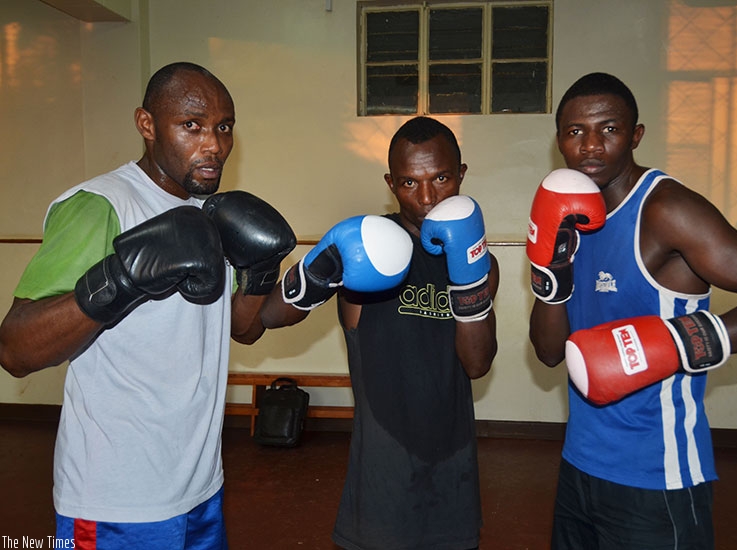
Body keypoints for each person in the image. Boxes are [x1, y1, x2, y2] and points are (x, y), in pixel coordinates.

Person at [0, 62, 296, 548]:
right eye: (192, 126)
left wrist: (262, 272)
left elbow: (241, 329)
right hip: (114, 498)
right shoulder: (102, 204)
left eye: (224, 127)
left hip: (200, 486)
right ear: (147, 125)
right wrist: (122, 278)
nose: (215, 145)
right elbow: (15, 349)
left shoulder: (210, 212)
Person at [527, 72, 737, 549]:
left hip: (657, 475)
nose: (592, 146)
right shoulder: (569, 218)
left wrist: (674, 341)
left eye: (610, 129)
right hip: (579, 465)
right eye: (575, 132)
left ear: (636, 135)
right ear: (559, 140)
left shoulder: (666, 210)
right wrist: (551, 273)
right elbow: (547, 353)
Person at [261, 116, 499, 550]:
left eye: (441, 178)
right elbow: (271, 317)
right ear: (391, 183)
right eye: (409, 183)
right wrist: (321, 266)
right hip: (381, 479)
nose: (427, 197)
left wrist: (469, 282)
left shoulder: (476, 259)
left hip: (454, 472)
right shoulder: (368, 249)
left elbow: (477, 363)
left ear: (461, 174)